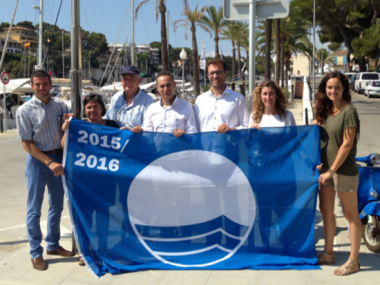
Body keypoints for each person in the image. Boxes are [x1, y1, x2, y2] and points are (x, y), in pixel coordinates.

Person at [16, 70, 74, 271]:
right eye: (37, 84)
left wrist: (69, 125)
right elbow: (26, 143)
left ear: (51, 84)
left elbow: (68, 131)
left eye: (45, 83)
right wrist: (48, 162)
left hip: (60, 158)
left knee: (57, 205)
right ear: (32, 86)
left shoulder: (61, 105)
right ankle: (35, 253)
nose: (41, 87)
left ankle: (53, 244)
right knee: (34, 209)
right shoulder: (24, 110)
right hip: (38, 161)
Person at [61, 94, 119, 266]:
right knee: (85, 216)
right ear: (84, 110)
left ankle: (102, 250)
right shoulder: (79, 126)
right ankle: (85, 252)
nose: (92, 110)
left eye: (95, 106)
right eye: (89, 107)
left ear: (102, 108)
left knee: (103, 218)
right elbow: (64, 146)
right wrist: (66, 130)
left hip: (107, 181)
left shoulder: (112, 125)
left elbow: (123, 143)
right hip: (85, 181)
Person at [312, 71, 361, 276]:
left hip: (343, 172)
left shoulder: (348, 111)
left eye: (337, 87)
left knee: (350, 215)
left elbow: (347, 144)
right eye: (329, 87)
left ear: (344, 89)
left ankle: (354, 260)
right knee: (325, 210)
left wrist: (332, 171)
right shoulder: (325, 112)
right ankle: (329, 252)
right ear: (325, 89)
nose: (333, 91)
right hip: (325, 171)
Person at [135, 71, 197, 136]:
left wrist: (184, 135)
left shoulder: (186, 107)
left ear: (174, 85)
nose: (166, 89)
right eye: (162, 86)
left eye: (168, 85)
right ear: (158, 88)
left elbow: (192, 133)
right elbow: (147, 134)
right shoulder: (151, 108)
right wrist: (138, 131)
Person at [194, 58, 249, 133]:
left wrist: (231, 130)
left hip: (229, 144)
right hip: (205, 145)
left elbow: (246, 126)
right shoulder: (200, 100)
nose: (215, 76)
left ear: (226, 73)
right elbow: (195, 129)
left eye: (218, 72)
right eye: (212, 73)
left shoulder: (238, 99)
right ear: (208, 76)